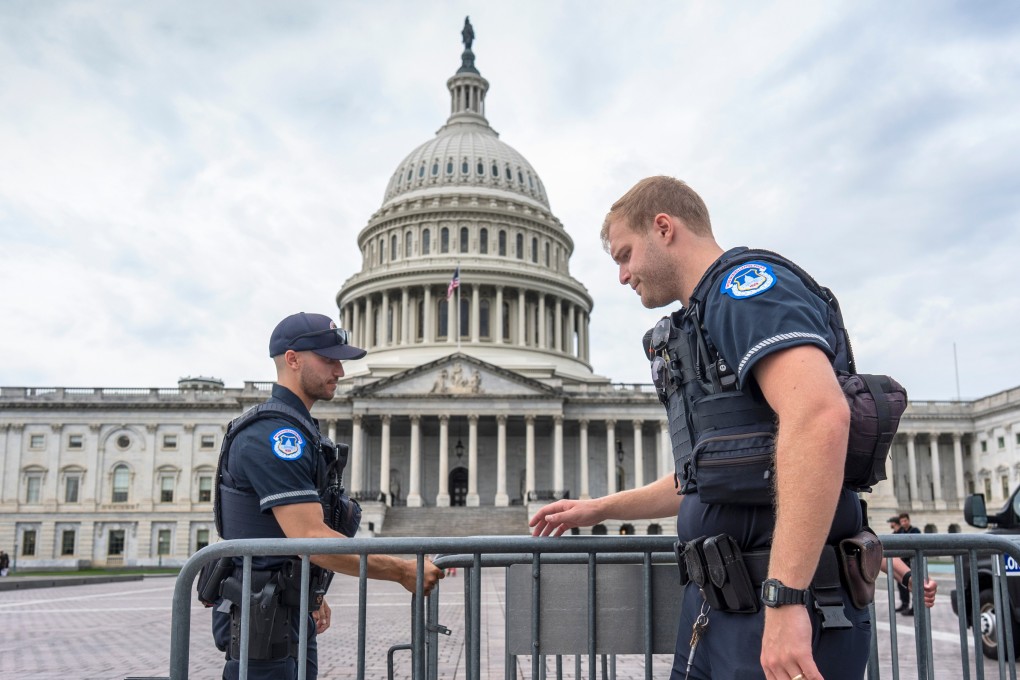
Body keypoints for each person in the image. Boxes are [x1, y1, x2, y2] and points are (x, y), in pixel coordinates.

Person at [531, 176, 874, 679]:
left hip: (771, 601)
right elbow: (712, 477)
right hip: (722, 605)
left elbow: (820, 416)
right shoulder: (702, 319)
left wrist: (786, 597)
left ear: (663, 228)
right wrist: (599, 509)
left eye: (625, 255)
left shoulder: (745, 290)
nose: (623, 276)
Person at [211, 312, 444, 680]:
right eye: (329, 359)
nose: (340, 371)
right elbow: (311, 538)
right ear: (293, 359)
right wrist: (402, 569)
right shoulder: (275, 438)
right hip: (262, 615)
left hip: (284, 607)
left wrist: (310, 593)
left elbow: (286, 535)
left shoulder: (298, 431)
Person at [897, 512, 921, 616]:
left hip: (913, 563)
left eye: (905, 520)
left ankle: (915, 608)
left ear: (909, 520)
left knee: (914, 585)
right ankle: (905, 604)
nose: (904, 523)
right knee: (902, 585)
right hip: (904, 562)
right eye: (902, 521)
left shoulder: (915, 531)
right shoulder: (900, 532)